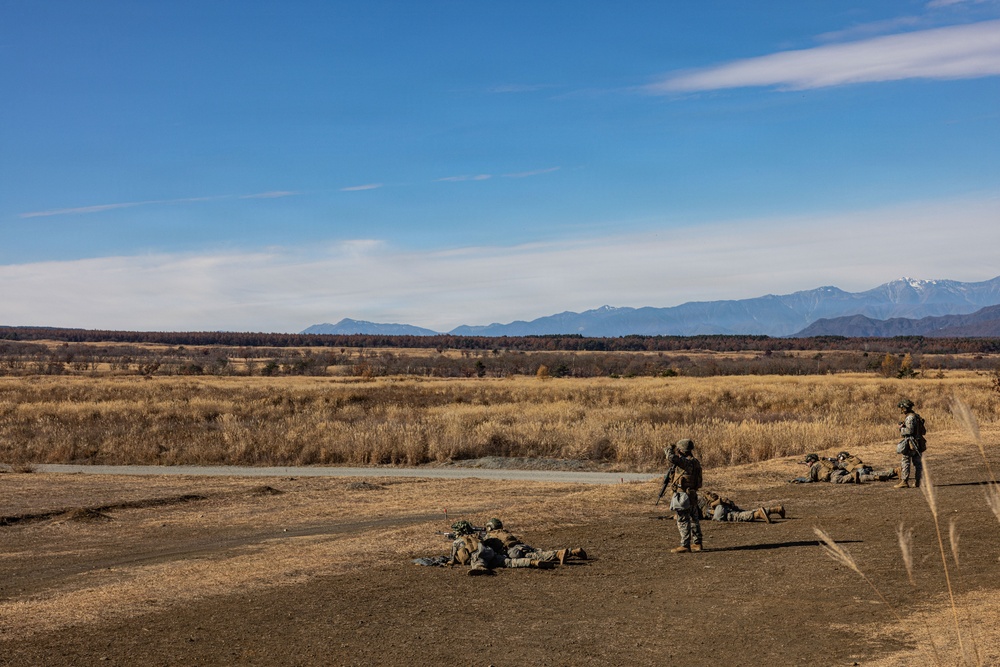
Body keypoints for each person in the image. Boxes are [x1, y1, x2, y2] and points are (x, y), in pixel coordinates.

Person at [446, 520, 554, 575]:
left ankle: (480, 568)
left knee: (478, 561)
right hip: (491, 553)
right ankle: (532, 562)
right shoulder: (477, 536)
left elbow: (452, 559)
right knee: (509, 562)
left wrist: (448, 562)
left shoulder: (458, 541)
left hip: (479, 555)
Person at [484, 517, 587, 565]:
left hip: (514, 551)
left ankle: (559, 554)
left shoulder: (490, 535)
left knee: (539, 556)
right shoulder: (504, 532)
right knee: (540, 553)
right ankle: (573, 551)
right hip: (522, 546)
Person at [664, 438, 703, 553]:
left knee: (682, 519)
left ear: (682, 450)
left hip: (683, 495)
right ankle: (697, 543)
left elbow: (670, 457)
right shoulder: (695, 462)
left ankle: (685, 545)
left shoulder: (685, 462)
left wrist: (669, 448)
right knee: (694, 519)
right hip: (692, 494)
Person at [698, 490, 785, 523]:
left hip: (717, 510)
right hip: (723, 505)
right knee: (743, 512)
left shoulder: (693, 503)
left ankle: (758, 514)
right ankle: (775, 509)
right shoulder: (699, 497)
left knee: (738, 516)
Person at [895, 398, 926, 489]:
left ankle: (904, 481)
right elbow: (923, 431)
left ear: (905, 408)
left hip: (911, 443)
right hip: (918, 442)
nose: (901, 410)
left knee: (905, 461)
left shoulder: (909, 418)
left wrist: (901, 428)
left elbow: (909, 431)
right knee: (918, 463)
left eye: (902, 408)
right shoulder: (916, 416)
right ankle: (918, 481)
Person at [835, 451, 899, 483]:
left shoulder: (844, 463)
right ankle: (894, 471)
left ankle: (877, 478)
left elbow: (838, 468)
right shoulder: (852, 458)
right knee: (877, 473)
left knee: (864, 477)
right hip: (864, 468)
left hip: (860, 471)